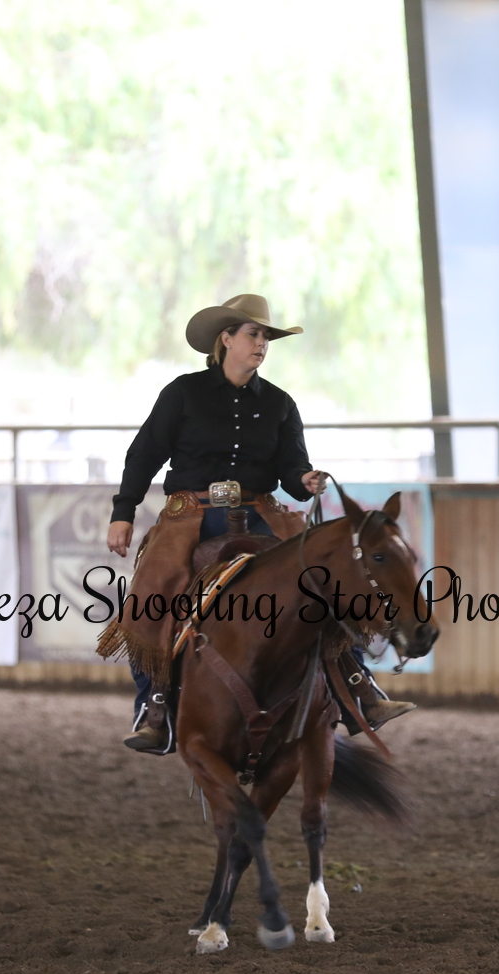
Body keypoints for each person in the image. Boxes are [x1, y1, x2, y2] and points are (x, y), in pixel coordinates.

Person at [98, 293, 415, 753]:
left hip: (261, 512)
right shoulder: (182, 393)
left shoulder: (280, 404)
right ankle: (155, 707)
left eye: (266, 336)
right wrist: (123, 513)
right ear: (226, 339)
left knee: (324, 579)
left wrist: (304, 480)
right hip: (191, 515)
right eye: (253, 334)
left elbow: (292, 468)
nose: (262, 343)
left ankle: (359, 687)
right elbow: (144, 454)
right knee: (152, 591)